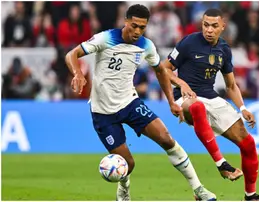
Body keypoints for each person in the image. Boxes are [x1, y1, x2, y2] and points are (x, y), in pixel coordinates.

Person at [65, 4, 216, 201]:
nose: (137, 31)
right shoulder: (106, 38)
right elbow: (72, 54)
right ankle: (124, 188)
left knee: (166, 138)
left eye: (142, 27)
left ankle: (199, 190)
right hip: (103, 112)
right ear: (125, 22)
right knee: (128, 164)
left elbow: (160, 71)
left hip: (130, 103)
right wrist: (77, 73)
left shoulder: (146, 46)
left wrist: (171, 101)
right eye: (134, 26)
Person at [163, 9, 259, 201]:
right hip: (186, 97)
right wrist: (181, 83)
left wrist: (243, 108)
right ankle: (222, 164)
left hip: (211, 97)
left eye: (214, 26)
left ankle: (251, 196)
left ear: (223, 27)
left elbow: (231, 85)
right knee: (197, 107)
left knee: (248, 143)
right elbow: (164, 68)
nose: (209, 30)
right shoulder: (188, 42)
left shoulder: (224, 50)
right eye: (205, 25)